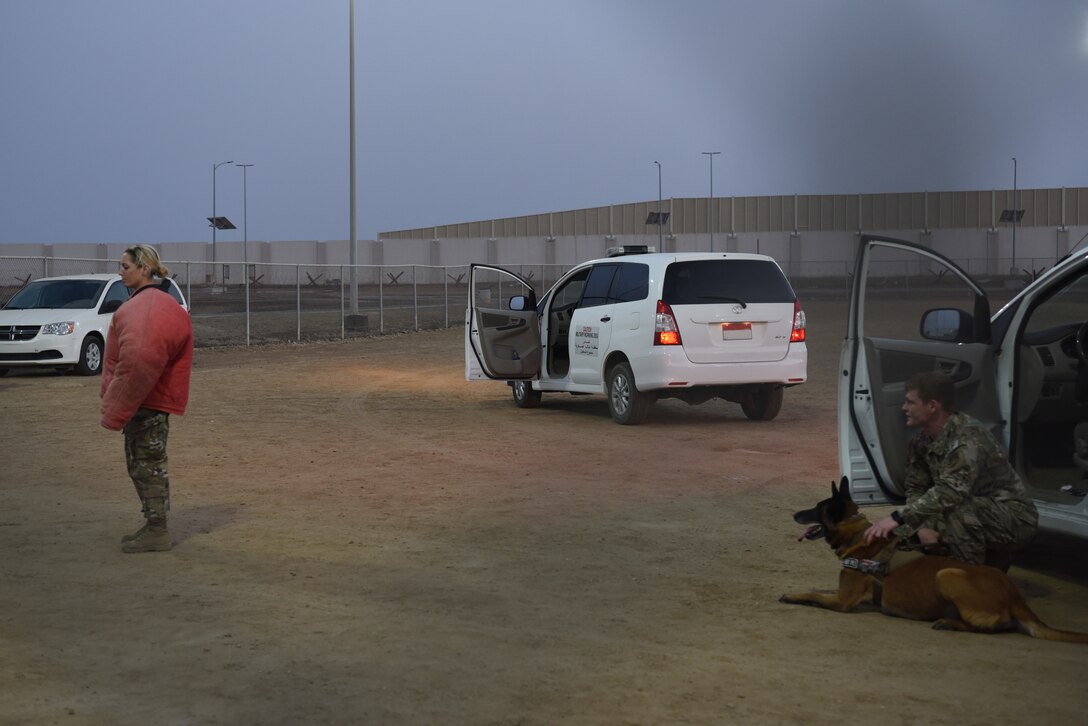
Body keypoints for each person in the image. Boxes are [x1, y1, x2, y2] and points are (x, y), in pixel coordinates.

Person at [863, 371, 1038, 567]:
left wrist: (899, 517)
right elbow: (916, 489)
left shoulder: (969, 437)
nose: (904, 408)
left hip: (1014, 518)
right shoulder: (921, 442)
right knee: (904, 528)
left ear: (932, 405)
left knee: (956, 510)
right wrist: (922, 527)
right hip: (972, 509)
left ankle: (968, 581)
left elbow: (951, 491)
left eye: (911, 402)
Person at [100, 245, 194, 553]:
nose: (120, 271)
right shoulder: (158, 305)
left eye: (125, 266)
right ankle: (153, 524)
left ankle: (157, 530)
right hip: (150, 400)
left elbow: (138, 361)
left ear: (144, 268)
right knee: (144, 464)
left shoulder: (147, 309)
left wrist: (115, 409)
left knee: (148, 465)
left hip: (147, 401)